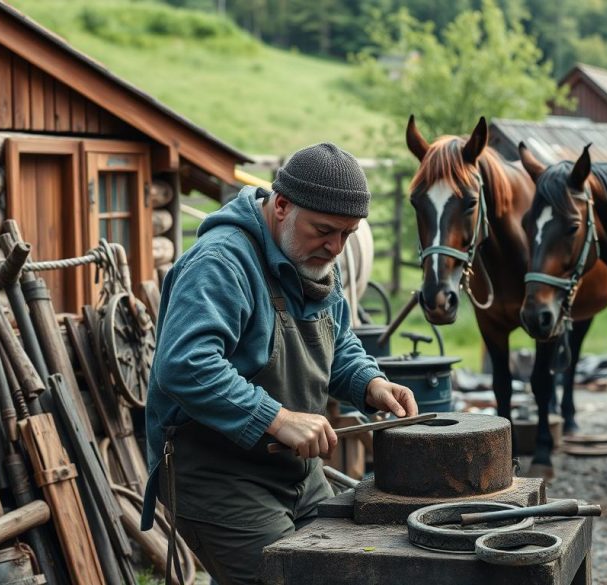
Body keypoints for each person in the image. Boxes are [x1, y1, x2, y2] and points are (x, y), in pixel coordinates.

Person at [139, 143, 418, 585]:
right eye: (325, 230)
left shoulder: (318, 258)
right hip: (219, 476)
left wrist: (369, 383)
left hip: (298, 473)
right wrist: (276, 417)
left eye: (348, 234)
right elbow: (185, 364)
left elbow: (336, 341)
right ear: (282, 205)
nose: (335, 247)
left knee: (344, 571)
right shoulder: (220, 263)